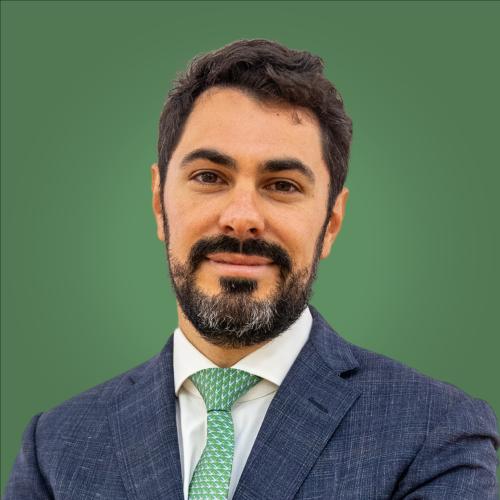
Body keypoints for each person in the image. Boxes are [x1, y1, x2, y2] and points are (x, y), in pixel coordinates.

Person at [5, 39, 499, 500]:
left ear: (331, 223)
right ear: (159, 203)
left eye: (282, 185)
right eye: (208, 177)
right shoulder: (56, 447)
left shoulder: (437, 433)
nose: (241, 217)